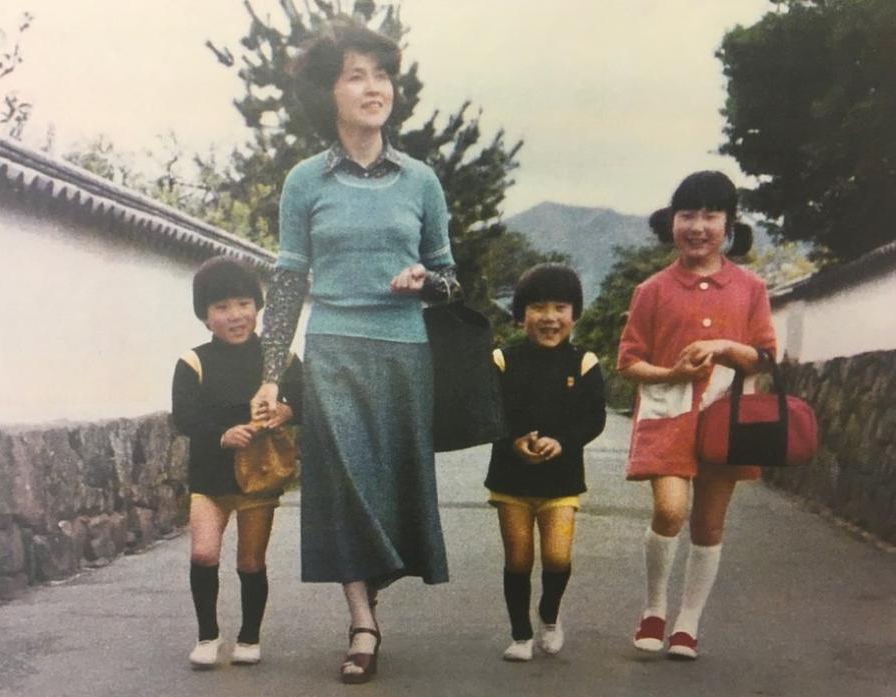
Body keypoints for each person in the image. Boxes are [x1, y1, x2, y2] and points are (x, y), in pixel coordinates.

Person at [250, 19, 461, 684]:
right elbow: (287, 281)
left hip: (404, 349)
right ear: (329, 92)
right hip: (334, 348)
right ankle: (362, 620)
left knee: (390, 490)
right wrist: (270, 373)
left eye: (381, 73)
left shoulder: (420, 180)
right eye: (355, 75)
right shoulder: (304, 182)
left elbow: (450, 278)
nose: (374, 88)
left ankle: (372, 592)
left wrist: (426, 282)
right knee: (343, 487)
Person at [617, 171, 776, 660]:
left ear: (729, 225)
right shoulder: (652, 289)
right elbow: (628, 361)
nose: (698, 225)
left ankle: (688, 622)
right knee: (670, 510)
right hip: (667, 417)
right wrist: (671, 372)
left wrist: (727, 346)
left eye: (710, 215)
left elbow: (765, 357)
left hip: (727, 420)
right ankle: (654, 607)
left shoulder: (749, 287)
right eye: (688, 214)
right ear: (672, 222)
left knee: (708, 524)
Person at [171, 256, 302, 669]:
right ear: (205, 316)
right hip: (209, 478)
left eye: (244, 303)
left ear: (258, 307)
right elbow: (184, 417)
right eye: (222, 307)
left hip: (258, 477)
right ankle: (208, 636)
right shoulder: (192, 362)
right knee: (203, 555)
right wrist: (221, 434)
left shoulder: (278, 358)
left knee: (251, 561)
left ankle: (249, 637)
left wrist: (287, 411)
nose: (235, 316)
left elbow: (306, 400)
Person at [485, 263, 606, 662]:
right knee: (518, 559)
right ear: (521, 315)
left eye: (560, 307)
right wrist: (513, 440)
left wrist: (564, 441)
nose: (550, 317)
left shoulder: (585, 361)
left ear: (575, 314)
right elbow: (490, 412)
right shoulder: (502, 359)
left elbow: (594, 418)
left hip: (562, 479)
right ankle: (520, 634)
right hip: (510, 478)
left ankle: (549, 617)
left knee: (556, 556)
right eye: (538, 307)